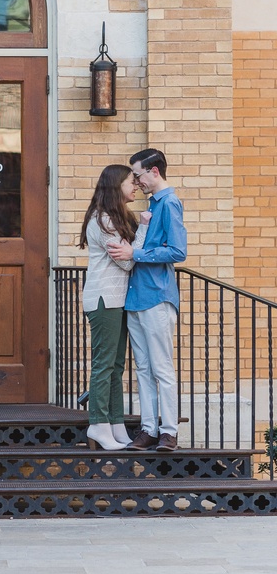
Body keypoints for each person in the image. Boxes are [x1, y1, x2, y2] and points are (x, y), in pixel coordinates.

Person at [107, 148, 187, 452]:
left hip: (156, 296)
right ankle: (149, 429)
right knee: (142, 368)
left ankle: (169, 432)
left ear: (154, 172)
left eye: (138, 175)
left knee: (162, 368)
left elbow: (178, 252)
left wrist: (135, 253)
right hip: (136, 298)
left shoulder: (170, 203)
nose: (136, 181)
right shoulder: (153, 204)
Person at [78, 165, 151, 451]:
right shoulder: (103, 220)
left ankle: (115, 424)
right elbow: (128, 261)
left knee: (116, 365)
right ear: (115, 185)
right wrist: (143, 229)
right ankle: (98, 424)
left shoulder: (115, 217)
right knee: (104, 364)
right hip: (104, 299)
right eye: (131, 182)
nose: (135, 187)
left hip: (117, 299)